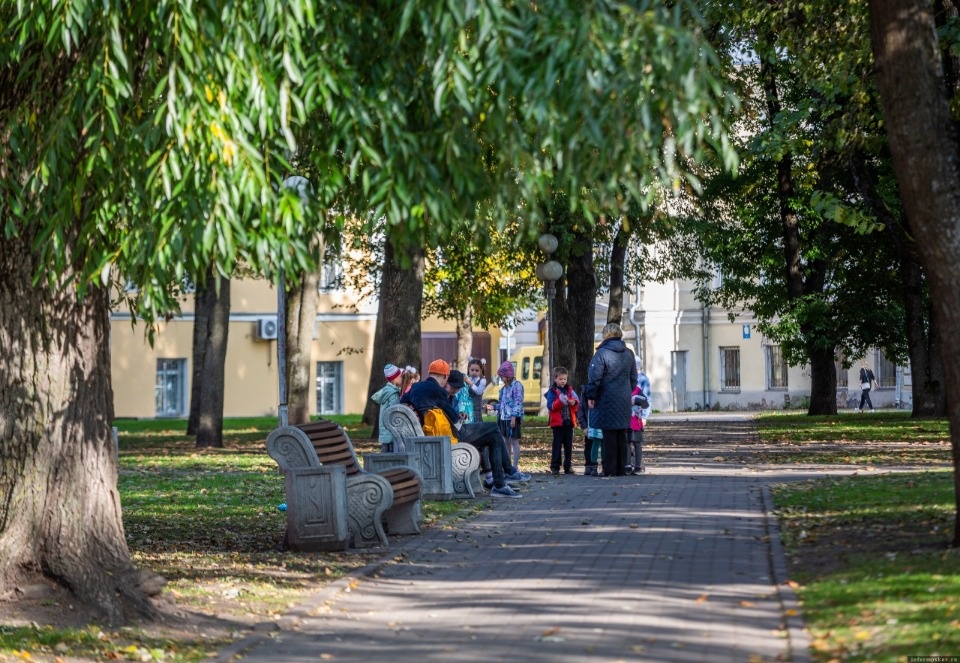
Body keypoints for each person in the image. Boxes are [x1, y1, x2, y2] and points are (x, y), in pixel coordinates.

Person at [401, 360, 522, 498]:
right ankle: (505, 476)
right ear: (446, 376)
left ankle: (500, 481)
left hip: (431, 436)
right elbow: (454, 420)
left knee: (492, 434)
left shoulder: (416, 387)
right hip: (446, 436)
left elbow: (402, 403)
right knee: (493, 429)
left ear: (429, 373)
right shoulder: (438, 390)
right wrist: (460, 418)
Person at [584, 323, 638, 477]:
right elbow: (634, 378)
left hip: (606, 397)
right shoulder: (629, 353)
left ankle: (609, 469)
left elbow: (595, 377)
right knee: (621, 433)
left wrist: (591, 396)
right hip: (623, 398)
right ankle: (622, 468)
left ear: (606, 334)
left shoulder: (601, 353)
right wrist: (626, 390)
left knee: (608, 434)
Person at [546, 366, 579, 476]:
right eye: (560, 379)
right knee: (557, 445)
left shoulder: (570, 390)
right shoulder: (552, 391)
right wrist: (559, 401)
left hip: (568, 422)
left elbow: (577, 402)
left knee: (568, 445)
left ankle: (568, 466)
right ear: (555, 379)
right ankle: (555, 466)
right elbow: (550, 406)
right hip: (557, 423)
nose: (563, 381)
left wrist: (573, 403)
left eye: (565, 379)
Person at [496, 360, 525, 471]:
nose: (501, 379)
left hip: (513, 418)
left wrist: (514, 416)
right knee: (506, 441)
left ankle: (515, 465)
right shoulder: (504, 389)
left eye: (502, 376)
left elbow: (518, 402)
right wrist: (494, 407)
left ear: (508, 375)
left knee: (513, 441)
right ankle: (508, 465)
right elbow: (501, 403)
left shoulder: (517, 386)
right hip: (504, 417)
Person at [370, 363, 405, 452]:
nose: (402, 378)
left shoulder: (386, 391)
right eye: (400, 376)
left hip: (384, 428)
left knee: (385, 451)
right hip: (391, 429)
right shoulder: (393, 393)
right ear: (394, 379)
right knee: (391, 453)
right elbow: (395, 410)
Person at [626, 359, 652, 475]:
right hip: (626, 421)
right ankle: (627, 465)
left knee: (636, 443)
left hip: (636, 421)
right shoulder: (624, 389)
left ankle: (638, 466)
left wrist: (644, 416)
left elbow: (646, 401)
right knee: (627, 442)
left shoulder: (639, 387)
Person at [465, 357, 488, 423]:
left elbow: (479, 392)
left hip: (476, 411)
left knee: (477, 431)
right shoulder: (466, 380)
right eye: (472, 370)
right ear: (468, 369)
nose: (474, 372)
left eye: (477, 370)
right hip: (466, 411)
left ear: (481, 371)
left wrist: (469, 383)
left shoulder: (482, 381)